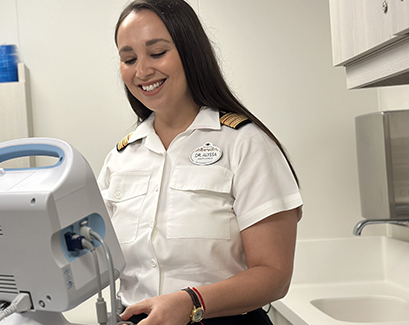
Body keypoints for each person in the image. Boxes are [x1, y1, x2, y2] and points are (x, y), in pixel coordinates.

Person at [97, 1, 303, 324]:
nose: (142, 71)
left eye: (157, 52)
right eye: (129, 59)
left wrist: (191, 302)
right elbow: (94, 264)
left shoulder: (244, 143)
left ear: (190, 52)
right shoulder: (119, 159)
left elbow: (274, 274)